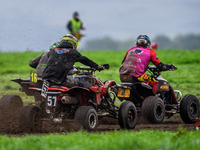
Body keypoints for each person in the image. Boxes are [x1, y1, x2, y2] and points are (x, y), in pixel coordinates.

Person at [119, 34, 177, 103]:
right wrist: (168, 66)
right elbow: (160, 66)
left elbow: (123, 62)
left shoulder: (131, 49)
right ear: (148, 44)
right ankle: (155, 102)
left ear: (136, 42)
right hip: (137, 76)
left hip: (123, 76)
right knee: (157, 82)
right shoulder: (150, 51)